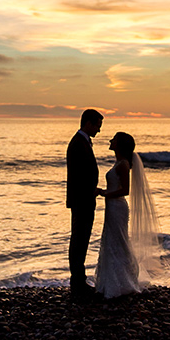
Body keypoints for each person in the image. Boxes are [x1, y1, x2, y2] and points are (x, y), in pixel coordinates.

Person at [94, 132, 160, 300]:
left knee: (119, 242)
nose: (111, 140)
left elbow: (125, 190)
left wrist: (104, 193)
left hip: (117, 207)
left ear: (120, 144)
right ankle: (111, 280)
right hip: (112, 208)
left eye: (114, 139)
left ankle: (123, 281)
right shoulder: (119, 162)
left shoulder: (123, 165)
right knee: (111, 241)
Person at [66, 108, 103, 300]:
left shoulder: (82, 142)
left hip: (84, 199)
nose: (99, 130)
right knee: (79, 241)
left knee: (81, 240)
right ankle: (78, 284)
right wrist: (90, 192)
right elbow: (79, 176)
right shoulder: (78, 143)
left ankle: (79, 281)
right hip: (82, 201)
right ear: (88, 123)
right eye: (97, 125)